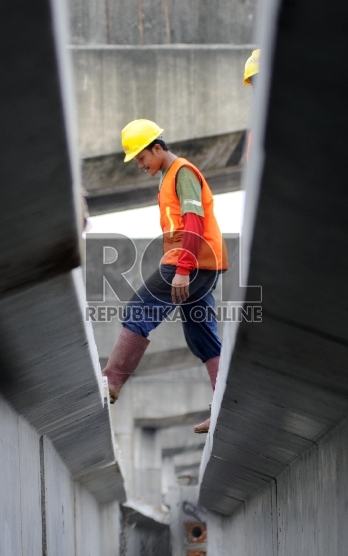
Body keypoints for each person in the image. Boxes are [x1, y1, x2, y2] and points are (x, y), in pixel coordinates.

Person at [101, 119, 228, 434]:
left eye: (142, 158)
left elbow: (194, 221)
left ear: (157, 147)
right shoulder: (169, 177)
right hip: (201, 263)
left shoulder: (182, 173)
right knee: (202, 338)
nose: (141, 165)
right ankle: (228, 405)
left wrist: (183, 269)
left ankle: (112, 382)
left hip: (192, 262)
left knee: (138, 311)